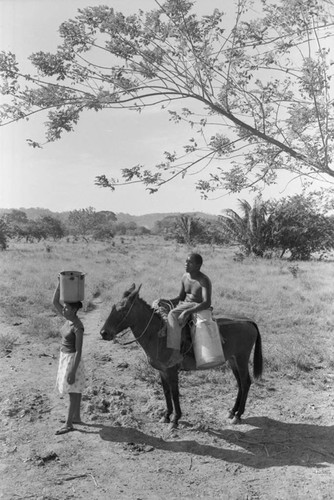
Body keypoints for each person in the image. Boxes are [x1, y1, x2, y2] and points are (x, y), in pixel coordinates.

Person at [163, 252, 213, 366]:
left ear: (198, 266)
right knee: (159, 307)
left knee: (172, 314)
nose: (186, 264)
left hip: (196, 305)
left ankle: (176, 354)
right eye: (186, 261)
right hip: (184, 304)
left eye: (190, 262)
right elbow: (180, 297)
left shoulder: (203, 280)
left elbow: (207, 302)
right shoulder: (185, 276)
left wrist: (187, 312)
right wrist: (167, 301)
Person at [53, 281, 85, 435]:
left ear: (73, 310)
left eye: (66, 307)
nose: (63, 309)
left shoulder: (78, 326)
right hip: (65, 357)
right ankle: (76, 417)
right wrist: (60, 283)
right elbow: (54, 301)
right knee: (75, 390)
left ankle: (68, 423)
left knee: (73, 391)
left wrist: (72, 371)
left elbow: (79, 351)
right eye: (64, 307)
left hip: (73, 360)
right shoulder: (68, 319)